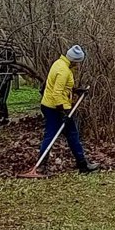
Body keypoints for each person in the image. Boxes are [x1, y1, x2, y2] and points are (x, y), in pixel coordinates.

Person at [37, 45, 99, 173]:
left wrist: (76, 91)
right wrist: (63, 112)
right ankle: (81, 165)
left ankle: (81, 164)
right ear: (74, 60)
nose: (78, 65)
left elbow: (62, 87)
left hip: (51, 105)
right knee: (61, 135)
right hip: (56, 108)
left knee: (68, 135)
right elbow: (57, 93)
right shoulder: (64, 71)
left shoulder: (59, 63)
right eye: (78, 62)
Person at [0, 43, 17, 125]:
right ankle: (1, 116)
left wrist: (11, 72)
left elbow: (13, 64)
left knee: (2, 99)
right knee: (0, 98)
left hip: (5, 77)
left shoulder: (8, 51)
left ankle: (3, 116)